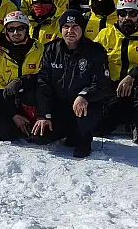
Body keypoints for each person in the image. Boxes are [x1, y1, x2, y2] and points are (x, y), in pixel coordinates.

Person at [31, 10, 112, 159]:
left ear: (82, 29)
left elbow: (103, 85)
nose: (70, 31)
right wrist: (44, 115)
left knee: (86, 112)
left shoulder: (95, 51)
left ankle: (84, 139)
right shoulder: (50, 50)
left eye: (75, 26)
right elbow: (43, 84)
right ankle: (67, 132)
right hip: (60, 106)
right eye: (66, 26)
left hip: (85, 106)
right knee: (39, 137)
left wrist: (85, 95)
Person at [95, 0, 138, 144]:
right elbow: (92, 60)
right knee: (97, 128)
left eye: (132, 13)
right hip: (113, 86)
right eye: (122, 13)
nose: (127, 18)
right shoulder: (106, 33)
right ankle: (124, 114)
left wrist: (131, 76)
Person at [0, 10, 44, 141]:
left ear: (27, 29)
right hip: (10, 103)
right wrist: (14, 115)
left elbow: (45, 79)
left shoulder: (39, 49)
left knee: (42, 137)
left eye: (20, 28)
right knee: (2, 133)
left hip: (33, 101)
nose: (16, 32)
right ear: (6, 31)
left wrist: (23, 81)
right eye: (11, 29)